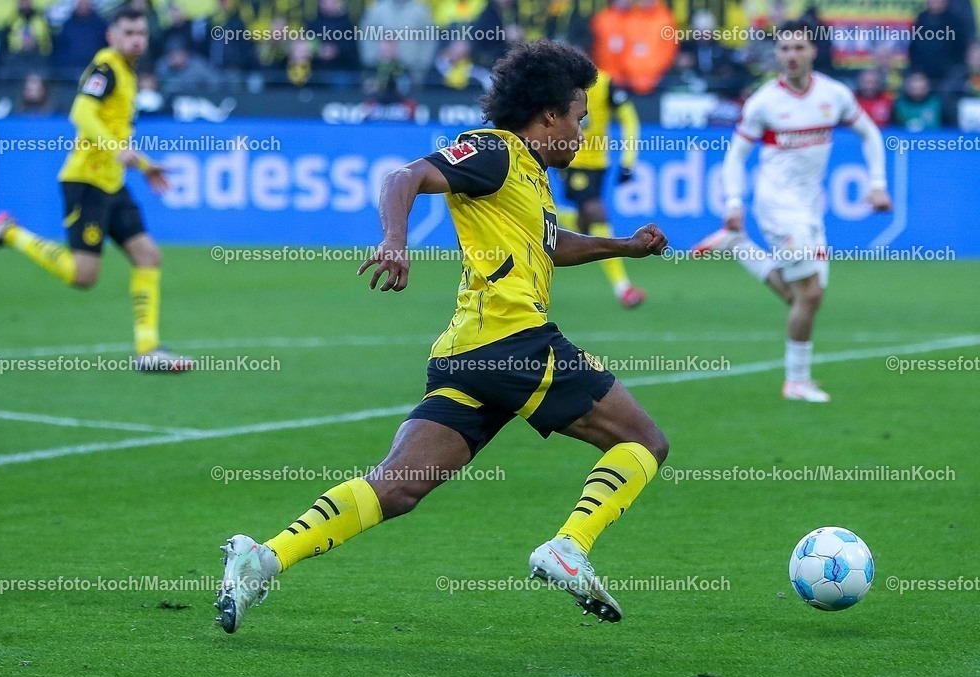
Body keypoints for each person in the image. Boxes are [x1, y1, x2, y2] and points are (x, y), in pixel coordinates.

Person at [214, 40, 670, 634]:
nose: (583, 134)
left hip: (467, 354)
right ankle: (569, 546)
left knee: (396, 487)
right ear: (549, 115)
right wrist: (394, 241)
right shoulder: (495, 151)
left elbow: (552, 246)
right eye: (579, 119)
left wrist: (625, 246)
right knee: (643, 441)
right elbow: (405, 176)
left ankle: (263, 558)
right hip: (512, 342)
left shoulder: (529, 176)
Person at [0, 8, 193, 372]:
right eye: (129, 32)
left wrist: (147, 166)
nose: (137, 39)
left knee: (148, 256)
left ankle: (148, 350)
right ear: (112, 37)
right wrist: (116, 149)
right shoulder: (106, 67)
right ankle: (9, 233)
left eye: (141, 33)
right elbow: (81, 114)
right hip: (86, 182)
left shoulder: (129, 74)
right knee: (83, 276)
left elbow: (118, 132)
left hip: (112, 183)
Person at [692, 20, 891, 403]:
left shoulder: (835, 95)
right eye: (785, 49)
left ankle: (739, 247)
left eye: (799, 48)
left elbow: (870, 133)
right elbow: (735, 156)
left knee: (805, 295)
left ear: (812, 51)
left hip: (811, 205)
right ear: (777, 55)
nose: (792, 55)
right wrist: (735, 201)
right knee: (811, 292)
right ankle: (796, 382)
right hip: (776, 203)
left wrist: (878, 183)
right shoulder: (764, 102)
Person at [559, 69, 646, 307]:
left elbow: (629, 117)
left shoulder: (605, 83)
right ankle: (623, 288)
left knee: (584, 222)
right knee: (597, 213)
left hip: (599, 165)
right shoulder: (557, 82)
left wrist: (629, 160)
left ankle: (553, 219)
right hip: (572, 161)